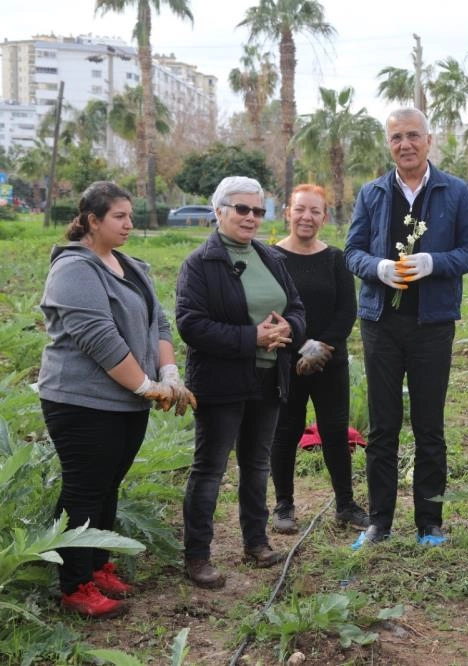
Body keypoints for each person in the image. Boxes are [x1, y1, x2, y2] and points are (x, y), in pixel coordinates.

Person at [39, 181, 195, 617]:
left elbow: (158, 323)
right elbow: (99, 338)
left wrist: (168, 373)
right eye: (119, 217)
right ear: (92, 221)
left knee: (109, 485)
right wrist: (145, 386)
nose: (130, 224)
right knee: (84, 489)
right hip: (82, 401)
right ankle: (75, 586)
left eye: (130, 215)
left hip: (125, 402)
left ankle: (97, 563)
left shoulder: (130, 264)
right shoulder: (74, 270)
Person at [345, 108, 468, 548]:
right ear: (388, 145)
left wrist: (434, 263)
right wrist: (378, 267)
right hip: (381, 323)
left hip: (432, 324)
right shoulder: (372, 194)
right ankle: (379, 521)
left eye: (412, 136)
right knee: (382, 427)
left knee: (430, 426)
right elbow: (351, 251)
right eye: (395, 138)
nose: (404, 144)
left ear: (429, 140)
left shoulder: (454, 191)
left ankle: (430, 522)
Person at [176, 176, 306, 588]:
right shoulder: (200, 263)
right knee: (210, 469)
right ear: (219, 212)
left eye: (258, 210)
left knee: (256, 464)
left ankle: (256, 541)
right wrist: (253, 337)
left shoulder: (270, 257)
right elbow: (191, 325)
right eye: (242, 209)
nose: (251, 218)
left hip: (269, 379)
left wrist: (290, 327)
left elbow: (297, 307)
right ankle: (198, 555)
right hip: (221, 382)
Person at [269, 184, 368, 534]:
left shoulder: (335, 259)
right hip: (285, 362)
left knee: (335, 431)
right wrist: (298, 346)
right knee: (286, 431)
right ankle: (283, 505)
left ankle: (345, 504)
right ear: (287, 212)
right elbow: (268, 310)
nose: (306, 217)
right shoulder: (270, 257)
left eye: (314, 211)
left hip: (330, 362)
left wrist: (319, 347)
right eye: (300, 209)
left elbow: (346, 311)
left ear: (324, 217)